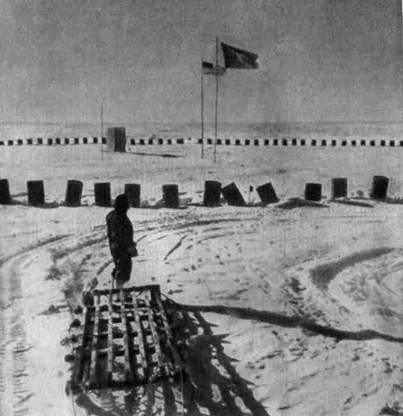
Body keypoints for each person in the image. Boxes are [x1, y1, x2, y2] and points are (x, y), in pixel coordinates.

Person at [106, 194, 137, 287]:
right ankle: (119, 290)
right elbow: (121, 234)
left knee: (121, 267)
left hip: (117, 246)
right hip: (122, 247)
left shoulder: (115, 216)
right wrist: (129, 245)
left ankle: (118, 289)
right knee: (123, 269)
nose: (129, 206)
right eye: (127, 203)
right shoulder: (119, 217)